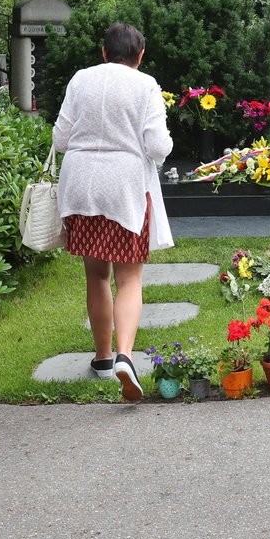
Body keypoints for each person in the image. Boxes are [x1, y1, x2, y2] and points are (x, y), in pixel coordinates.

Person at [52, 22, 174, 401]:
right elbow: (157, 146)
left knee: (96, 275)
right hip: (124, 188)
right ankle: (125, 355)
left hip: (80, 186)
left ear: (103, 52)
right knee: (130, 279)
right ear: (140, 56)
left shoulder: (80, 80)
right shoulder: (146, 84)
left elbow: (59, 139)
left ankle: (103, 358)